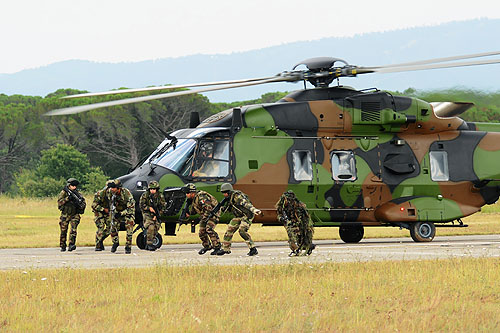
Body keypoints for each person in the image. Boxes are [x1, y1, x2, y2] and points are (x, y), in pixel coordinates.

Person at [215, 183, 261, 256]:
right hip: (238, 216)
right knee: (229, 230)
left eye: (225, 193)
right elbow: (229, 208)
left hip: (247, 215)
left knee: (242, 231)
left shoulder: (237, 196)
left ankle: (253, 249)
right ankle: (225, 249)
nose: (224, 194)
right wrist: (220, 209)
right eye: (223, 193)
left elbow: (246, 204)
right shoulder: (229, 199)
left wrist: (254, 210)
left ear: (229, 192)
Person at [182, 183, 221, 255]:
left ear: (192, 192)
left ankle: (217, 247)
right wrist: (188, 212)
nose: (186, 195)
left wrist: (199, 219)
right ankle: (207, 246)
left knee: (209, 229)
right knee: (201, 232)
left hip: (213, 214)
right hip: (205, 215)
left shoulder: (201, 196)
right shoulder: (193, 199)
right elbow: (196, 210)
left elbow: (208, 209)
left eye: (187, 193)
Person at [276, 190, 315, 256]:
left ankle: (307, 248)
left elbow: (303, 218)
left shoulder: (298, 206)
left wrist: (298, 225)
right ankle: (295, 250)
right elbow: (279, 214)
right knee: (292, 237)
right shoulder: (282, 206)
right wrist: (282, 219)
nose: (287, 201)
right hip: (290, 224)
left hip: (301, 224)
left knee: (303, 237)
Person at [57, 178, 85, 252]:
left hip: (74, 214)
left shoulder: (77, 194)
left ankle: (71, 244)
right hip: (65, 214)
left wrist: (80, 204)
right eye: (72, 185)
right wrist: (67, 199)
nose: (74, 187)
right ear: (69, 185)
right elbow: (59, 203)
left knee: (73, 230)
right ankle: (63, 245)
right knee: (63, 231)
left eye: (75, 186)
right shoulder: (64, 193)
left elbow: (83, 203)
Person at [107, 179, 135, 254]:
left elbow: (131, 208)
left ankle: (128, 246)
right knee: (112, 227)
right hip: (117, 212)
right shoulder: (110, 193)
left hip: (127, 213)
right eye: (111, 188)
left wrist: (122, 213)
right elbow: (110, 204)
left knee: (129, 228)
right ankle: (115, 243)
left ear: (118, 188)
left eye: (113, 188)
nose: (112, 189)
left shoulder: (126, 193)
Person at [139, 180, 165, 251]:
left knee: (156, 227)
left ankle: (150, 242)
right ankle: (149, 243)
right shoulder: (145, 195)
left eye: (154, 189)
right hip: (147, 213)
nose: (152, 191)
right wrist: (148, 208)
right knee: (151, 226)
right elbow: (141, 205)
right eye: (151, 189)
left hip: (156, 213)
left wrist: (156, 215)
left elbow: (163, 207)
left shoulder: (160, 196)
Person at [91, 180, 113, 251]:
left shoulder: (113, 194)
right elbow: (94, 205)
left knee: (110, 228)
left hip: (107, 212)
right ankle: (98, 245)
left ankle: (100, 240)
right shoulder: (100, 194)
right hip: (99, 212)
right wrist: (103, 209)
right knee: (101, 227)